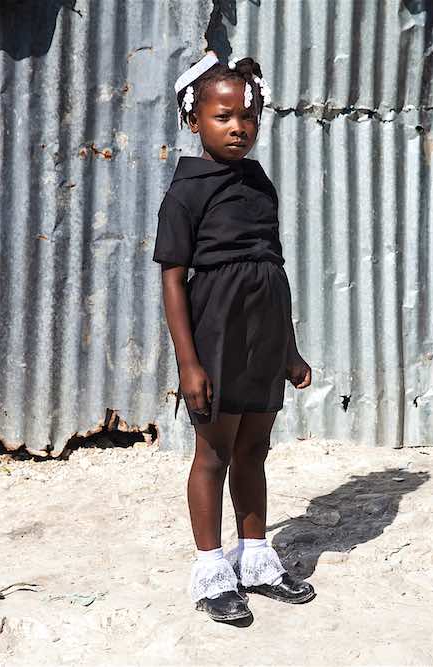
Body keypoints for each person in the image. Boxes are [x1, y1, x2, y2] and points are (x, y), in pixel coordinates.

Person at [154, 53, 315, 624]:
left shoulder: (258, 183)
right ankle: (211, 569)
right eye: (223, 116)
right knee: (214, 453)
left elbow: (273, 266)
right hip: (216, 334)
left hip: (263, 334)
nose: (237, 128)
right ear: (193, 119)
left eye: (247, 118)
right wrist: (189, 363)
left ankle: (256, 558)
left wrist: (288, 347)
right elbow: (173, 279)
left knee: (255, 450)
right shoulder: (186, 192)